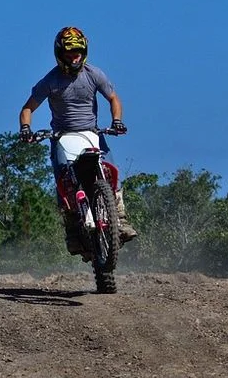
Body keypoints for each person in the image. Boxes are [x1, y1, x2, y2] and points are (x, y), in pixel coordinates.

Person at [18, 26, 138, 255]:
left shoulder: (94, 74)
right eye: (70, 53)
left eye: (78, 52)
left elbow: (113, 98)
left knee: (111, 171)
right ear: (60, 54)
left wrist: (117, 121)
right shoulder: (50, 80)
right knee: (63, 181)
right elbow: (27, 108)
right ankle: (72, 229)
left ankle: (120, 218)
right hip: (62, 137)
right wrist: (25, 128)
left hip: (91, 133)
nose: (75, 57)